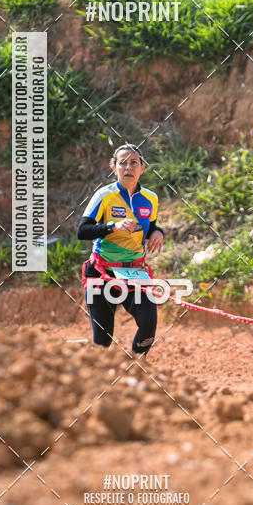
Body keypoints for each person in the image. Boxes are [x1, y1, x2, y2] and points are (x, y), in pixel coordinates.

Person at [77, 143, 164, 354]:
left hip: (134, 272)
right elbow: (83, 231)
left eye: (134, 162)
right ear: (114, 168)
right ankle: (99, 382)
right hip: (102, 271)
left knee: (148, 326)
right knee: (102, 341)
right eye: (122, 163)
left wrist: (157, 232)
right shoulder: (104, 196)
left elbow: (150, 225)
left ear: (142, 168)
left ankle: (133, 369)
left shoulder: (151, 198)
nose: (128, 167)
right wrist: (111, 227)